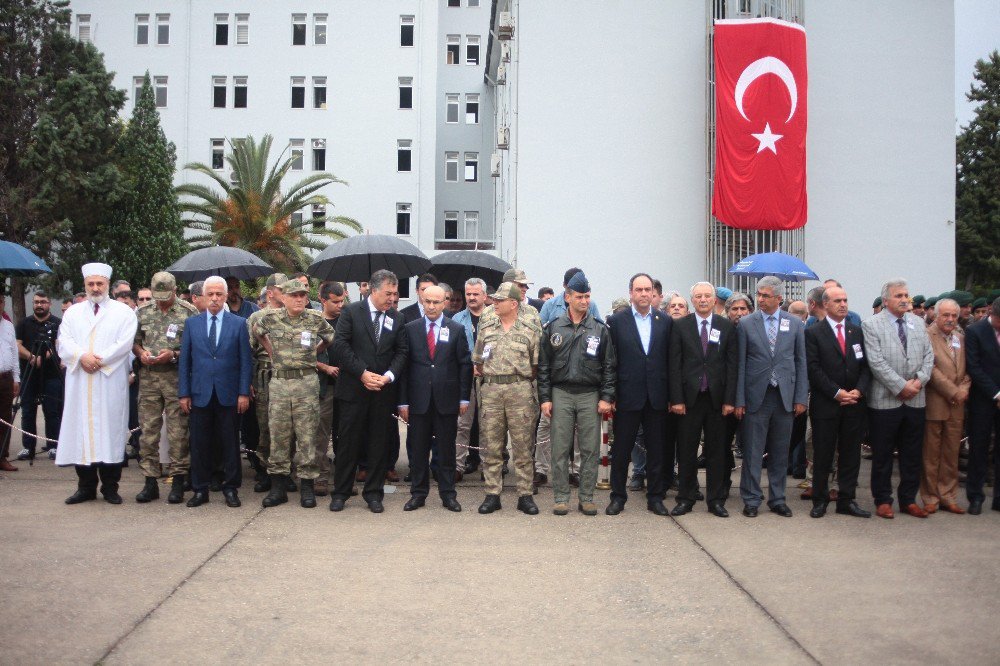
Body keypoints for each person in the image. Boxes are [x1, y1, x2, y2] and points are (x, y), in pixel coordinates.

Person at [57, 263, 138, 504]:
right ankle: (85, 487)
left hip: (109, 380)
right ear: (85, 285)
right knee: (82, 433)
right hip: (80, 378)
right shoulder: (73, 313)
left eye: (99, 284)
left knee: (110, 433)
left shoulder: (123, 313)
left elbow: (124, 344)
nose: (95, 288)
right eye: (90, 284)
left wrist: (98, 361)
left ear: (107, 286)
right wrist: (82, 357)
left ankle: (110, 487)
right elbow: (64, 341)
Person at [329, 269, 408, 513]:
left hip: (382, 393)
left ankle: (373, 493)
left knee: (378, 444)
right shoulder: (352, 312)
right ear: (373, 290)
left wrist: (388, 377)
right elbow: (340, 345)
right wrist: (362, 373)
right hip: (353, 389)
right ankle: (341, 492)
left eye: (395, 294)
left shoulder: (397, 318)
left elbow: (401, 351)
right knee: (348, 444)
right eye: (388, 293)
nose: (392, 298)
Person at [537, 271, 616, 516]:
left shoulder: (599, 328)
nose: (585, 301)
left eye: (588, 296)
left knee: (590, 448)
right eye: (580, 297)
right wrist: (545, 398)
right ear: (568, 297)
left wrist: (606, 397)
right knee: (560, 448)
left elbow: (609, 366)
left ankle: (587, 496)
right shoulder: (554, 327)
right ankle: (561, 497)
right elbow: (544, 366)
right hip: (561, 392)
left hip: (589, 394)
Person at [255, 280, 335, 509]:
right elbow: (258, 332)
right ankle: (278, 487)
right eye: (294, 295)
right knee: (279, 434)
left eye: (303, 295)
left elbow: (330, 337)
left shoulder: (314, 318)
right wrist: (272, 353)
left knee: (307, 434)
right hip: (280, 382)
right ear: (284, 298)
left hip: (306, 381)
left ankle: (307, 487)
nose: (299, 299)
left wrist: (313, 354)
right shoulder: (271, 318)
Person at [734, 275, 807, 518]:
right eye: (759, 294)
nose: (761, 299)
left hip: (784, 396)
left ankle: (777, 498)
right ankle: (752, 498)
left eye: (766, 295)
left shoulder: (795, 324)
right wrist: (740, 400)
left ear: (779, 298)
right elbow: (741, 364)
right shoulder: (746, 324)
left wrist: (800, 398)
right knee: (753, 451)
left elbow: (800, 362)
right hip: (757, 396)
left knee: (779, 451)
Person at [862, 278, 934, 519]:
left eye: (906, 295)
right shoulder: (872, 325)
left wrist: (918, 381)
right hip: (885, 400)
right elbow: (876, 362)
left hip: (915, 399)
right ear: (885, 301)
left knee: (912, 453)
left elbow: (928, 357)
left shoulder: (918, 323)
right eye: (899, 296)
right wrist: (900, 386)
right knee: (882, 454)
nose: (905, 300)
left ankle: (908, 500)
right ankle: (883, 500)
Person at [178, 276, 252, 508]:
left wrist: (243, 393)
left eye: (219, 294)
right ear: (202, 296)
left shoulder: (238, 323)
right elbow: (185, 363)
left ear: (226, 295)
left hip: (229, 394)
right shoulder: (192, 324)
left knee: (230, 443)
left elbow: (245, 362)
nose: (214, 299)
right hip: (199, 394)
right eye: (210, 294)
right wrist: (184, 393)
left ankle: (231, 488)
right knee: (199, 444)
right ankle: (200, 489)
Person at [398, 285, 471, 512]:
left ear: (445, 303)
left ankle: (448, 494)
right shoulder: (410, 329)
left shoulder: (456, 329)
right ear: (421, 300)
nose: (431, 306)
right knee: (418, 451)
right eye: (427, 301)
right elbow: (403, 367)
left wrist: (463, 398)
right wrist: (403, 401)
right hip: (418, 400)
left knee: (446, 451)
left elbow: (464, 365)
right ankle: (418, 494)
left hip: (446, 400)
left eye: (436, 302)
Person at [606, 273, 672, 516]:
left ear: (653, 293)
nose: (644, 294)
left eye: (648, 290)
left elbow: (670, 361)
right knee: (621, 451)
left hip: (656, 396)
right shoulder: (616, 321)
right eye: (639, 290)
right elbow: (610, 362)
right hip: (627, 396)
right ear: (631, 293)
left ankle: (655, 497)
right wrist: (610, 395)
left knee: (656, 450)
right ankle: (617, 497)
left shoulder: (664, 321)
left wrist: (671, 396)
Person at [669, 282, 737, 518]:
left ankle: (716, 500)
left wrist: (730, 400)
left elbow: (732, 365)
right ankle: (686, 498)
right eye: (698, 296)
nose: (703, 300)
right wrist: (676, 398)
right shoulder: (680, 327)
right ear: (693, 300)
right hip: (689, 399)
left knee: (717, 451)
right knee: (687, 450)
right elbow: (674, 365)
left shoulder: (726, 326)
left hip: (717, 400)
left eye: (707, 296)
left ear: (714, 299)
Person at [472, 282, 541, 515]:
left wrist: (516, 380)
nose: (495, 303)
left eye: (500, 300)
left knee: (523, 446)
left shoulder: (529, 329)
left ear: (513, 304)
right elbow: (478, 361)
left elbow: (535, 366)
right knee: (491, 444)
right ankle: (493, 494)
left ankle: (525, 495)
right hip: (491, 390)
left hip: (519, 390)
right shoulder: (487, 327)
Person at [804, 286, 871, 518]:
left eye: (845, 300)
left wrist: (858, 392)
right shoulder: (814, 333)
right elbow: (813, 369)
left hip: (854, 404)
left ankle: (847, 500)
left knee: (851, 454)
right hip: (827, 404)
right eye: (837, 301)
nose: (843, 304)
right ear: (826, 304)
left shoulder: (856, 331)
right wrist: (837, 392)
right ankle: (820, 500)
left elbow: (865, 367)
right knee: (823, 454)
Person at [132, 271, 199, 505]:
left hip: (176, 379)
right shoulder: (141, 312)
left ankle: (178, 481)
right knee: (148, 431)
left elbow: (195, 347)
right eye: (157, 295)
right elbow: (134, 342)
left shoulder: (188, 312)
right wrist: (141, 354)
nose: (161, 300)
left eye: (166, 295)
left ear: (174, 289)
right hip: (149, 379)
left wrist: (173, 355)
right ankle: (150, 481)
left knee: (178, 432)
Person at [920, 298, 969, 514]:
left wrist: (965, 388)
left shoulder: (960, 337)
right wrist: (953, 391)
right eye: (945, 315)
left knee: (951, 452)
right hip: (935, 401)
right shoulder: (926, 336)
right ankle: (930, 496)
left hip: (957, 404)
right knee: (931, 454)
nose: (950, 320)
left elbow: (969, 368)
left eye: (954, 316)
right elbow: (930, 369)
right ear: (936, 315)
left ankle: (948, 495)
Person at [246, 273, 287, 492]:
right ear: (270, 292)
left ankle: (283, 471)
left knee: (287, 426)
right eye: (282, 289)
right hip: (264, 376)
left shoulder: (293, 316)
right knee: (265, 425)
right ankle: (264, 471)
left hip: (287, 376)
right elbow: (247, 352)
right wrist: (248, 382)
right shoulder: (256, 318)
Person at [15, 291, 62, 462]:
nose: (39, 305)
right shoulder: (24, 323)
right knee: (27, 410)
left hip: (52, 374)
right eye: (36, 302)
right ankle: (28, 447)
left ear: (49, 303)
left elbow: (62, 344)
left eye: (43, 302)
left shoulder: (58, 323)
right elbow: (17, 345)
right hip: (29, 372)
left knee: (52, 411)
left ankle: (53, 445)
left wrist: (49, 353)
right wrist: (31, 357)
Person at [963, 297, 1000, 515]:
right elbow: (974, 367)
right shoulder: (975, 331)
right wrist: (996, 393)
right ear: (992, 315)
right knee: (979, 448)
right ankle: (975, 496)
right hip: (983, 400)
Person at [453, 278, 488, 477]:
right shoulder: (457, 320)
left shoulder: (494, 318)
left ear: (484, 296)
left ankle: (486, 467)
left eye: (476, 294)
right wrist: (469, 367)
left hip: (489, 380)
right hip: (465, 380)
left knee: (487, 426)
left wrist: (483, 367)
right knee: (462, 425)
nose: (472, 298)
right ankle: (457, 466)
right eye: (468, 294)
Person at [314, 281, 346, 497]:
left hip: (347, 388)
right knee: (320, 436)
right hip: (322, 388)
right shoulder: (312, 322)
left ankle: (344, 479)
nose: (340, 305)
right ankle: (321, 478)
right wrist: (324, 367)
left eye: (342, 300)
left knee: (344, 436)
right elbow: (302, 354)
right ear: (323, 301)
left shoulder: (348, 322)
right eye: (335, 302)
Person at [0, 313, 20, 472]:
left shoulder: (8, 326)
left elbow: (14, 354)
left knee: (5, 418)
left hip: (6, 377)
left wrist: (16, 378)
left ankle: (2, 456)